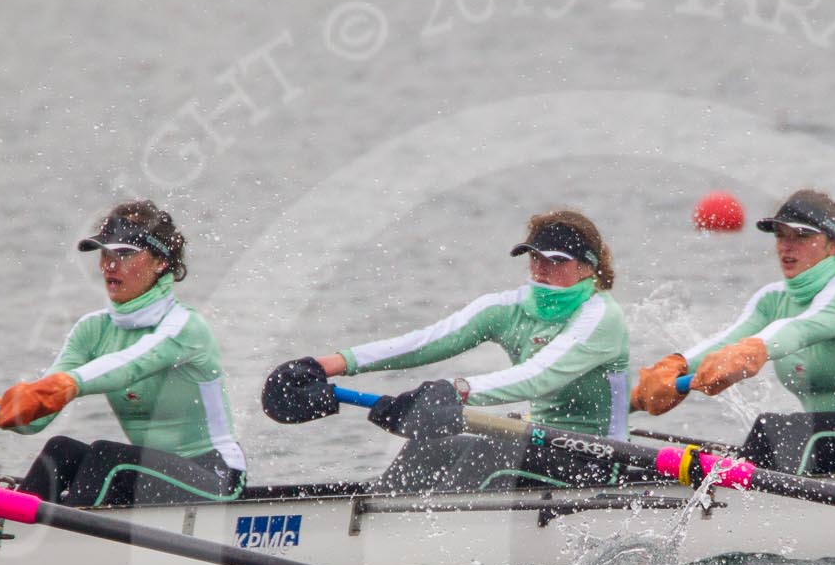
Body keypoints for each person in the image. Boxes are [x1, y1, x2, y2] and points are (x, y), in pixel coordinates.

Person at [263, 210, 634, 490]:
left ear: (588, 267)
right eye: (535, 257)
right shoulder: (511, 308)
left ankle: (426, 541)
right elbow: (431, 339)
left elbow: (538, 376)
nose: (540, 269)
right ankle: (372, 528)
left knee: (491, 454)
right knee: (427, 447)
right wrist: (330, 364)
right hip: (539, 444)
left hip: (598, 459)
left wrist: (456, 391)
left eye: (556, 261)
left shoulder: (601, 317)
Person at [0, 201, 247, 506]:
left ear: (160, 262)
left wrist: (62, 386)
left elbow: (128, 365)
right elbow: (36, 419)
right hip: (148, 473)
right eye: (105, 252)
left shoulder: (184, 327)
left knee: (106, 457)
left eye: (125, 253)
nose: (109, 264)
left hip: (216, 475)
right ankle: (14, 533)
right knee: (59, 452)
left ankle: (58, 546)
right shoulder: (93, 330)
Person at [629, 189, 835, 475]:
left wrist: (749, 352)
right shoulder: (771, 299)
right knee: (771, 438)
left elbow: (797, 329)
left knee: (776, 430)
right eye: (781, 235)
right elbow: (725, 340)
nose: (787, 245)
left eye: (802, 236)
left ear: (833, 246)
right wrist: (673, 368)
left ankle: (739, 506)